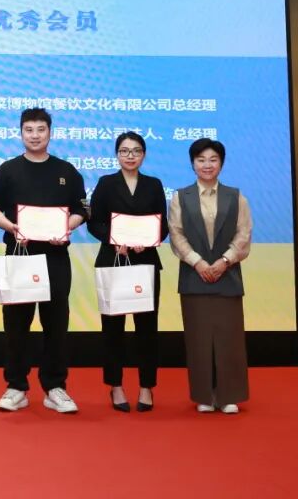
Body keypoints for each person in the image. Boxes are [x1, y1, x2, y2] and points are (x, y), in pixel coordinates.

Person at [0, 107, 87, 414]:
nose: (35, 135)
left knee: (56, 323)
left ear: (50, 133)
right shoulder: (7, 170)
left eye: (40, 129)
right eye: (29, 130)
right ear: (20, 133)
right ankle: (16, 386)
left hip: (55, 256)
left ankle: (55, 387)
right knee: (16, 323)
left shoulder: (66, 171)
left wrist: (66, 227)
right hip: (20, 255)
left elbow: (81, 210)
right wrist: (11, 227)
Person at [168, 138, 253, 414]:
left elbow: (243, 233)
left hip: (228, 276)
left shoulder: (235, 196)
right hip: (194, 276)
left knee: (230, 339)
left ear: (221, 163)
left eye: (213, 159)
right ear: (192, 164)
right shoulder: (180, 197)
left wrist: (224, 261)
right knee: (199, 339)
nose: (207, 165)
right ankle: (204, 395)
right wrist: (199, 263)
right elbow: (176, 234)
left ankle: (229, 395)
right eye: (201, 160)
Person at [86, 131, 169, 412]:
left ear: (143, 155)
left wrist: (147, 241)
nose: (130, 156)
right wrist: (114, 240)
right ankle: (116, 386)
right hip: (113, 260)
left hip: (146, 262)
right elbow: (94, 222)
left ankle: (147, 386)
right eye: (124, 151)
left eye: (136, 151)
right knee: (113, 329)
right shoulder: (106, 183)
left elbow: (162, 225)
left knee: (147, 328)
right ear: (117, 154)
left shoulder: (154, 185)